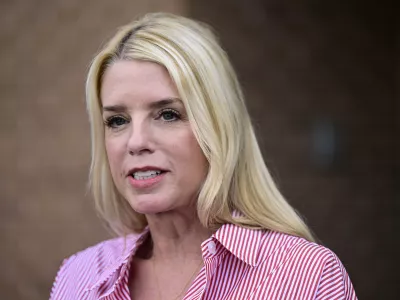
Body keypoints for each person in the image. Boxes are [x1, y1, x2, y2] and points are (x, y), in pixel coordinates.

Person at [50, 13, 357, 300]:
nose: (137, 141)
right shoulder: (79, 276)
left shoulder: (305, 275)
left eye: (168, 114)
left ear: (219, 127)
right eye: (117, 121)